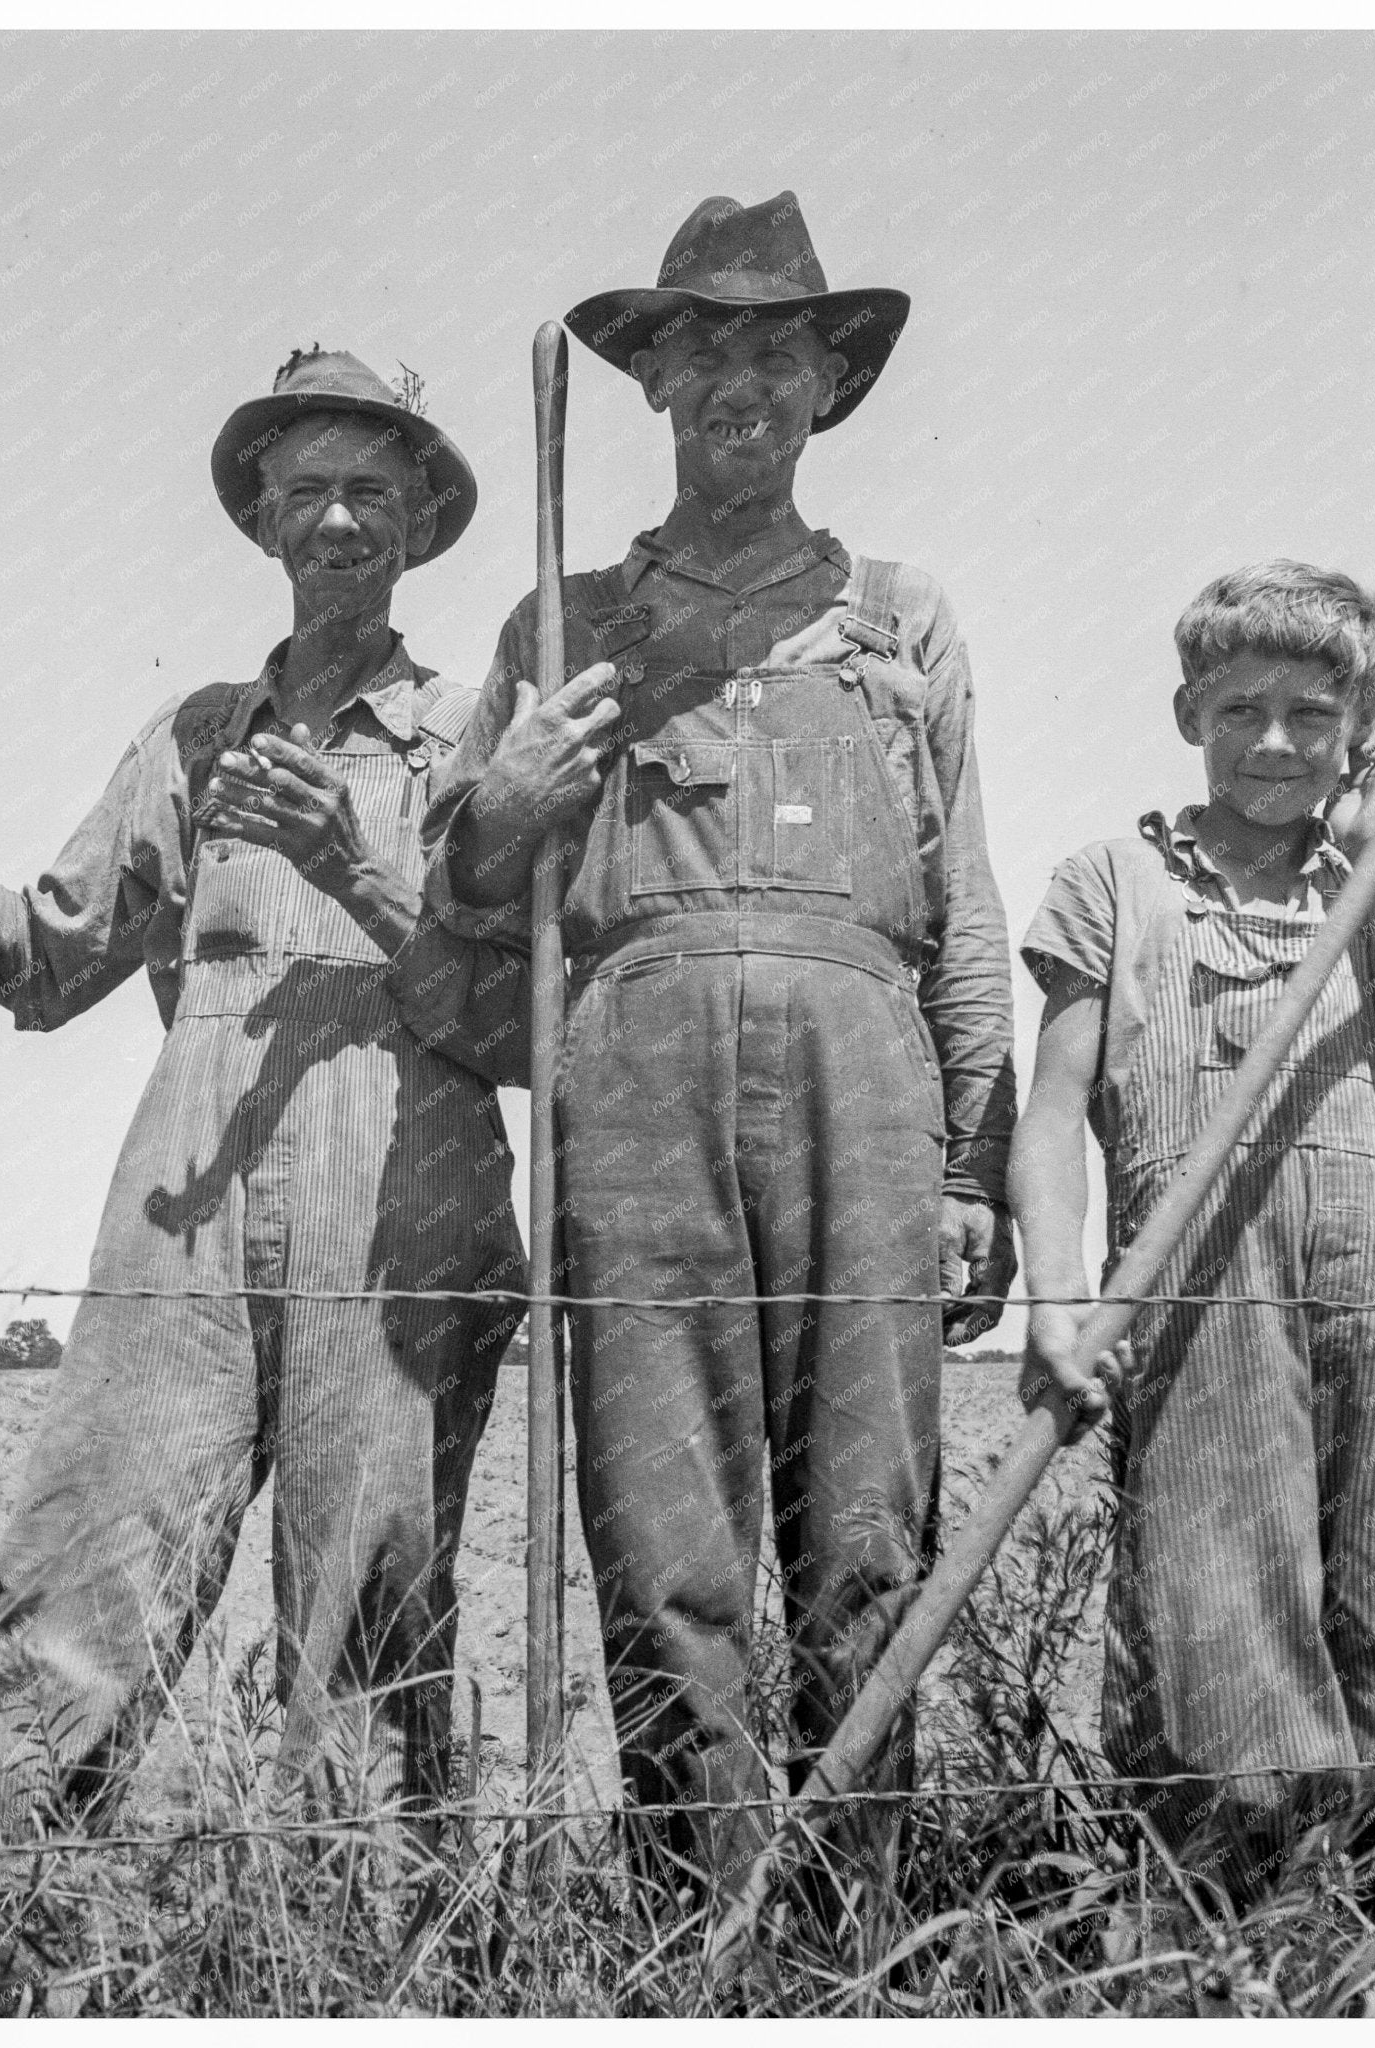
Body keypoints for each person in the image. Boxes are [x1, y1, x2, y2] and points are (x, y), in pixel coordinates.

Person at [0, 348, 528, 1830]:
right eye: (307, 491)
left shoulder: (477, 734)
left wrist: (359, 869)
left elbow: (532, 1024)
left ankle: (355, 1954)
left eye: (373, 493)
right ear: (261, 523)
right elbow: (42, 959)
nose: (338, 523)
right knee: (83, 1564)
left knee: (372, 1609)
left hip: (407, 1199)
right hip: (183, 1199)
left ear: (422, 519)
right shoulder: (195, 737)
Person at [424, 193, 1018, 1908]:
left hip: (866, 1073)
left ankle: (852, 1928)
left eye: (778, 350)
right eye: (705, 353)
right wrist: (506, 805)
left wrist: (975, 1155)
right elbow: (465, 892)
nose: (741, 382)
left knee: (865, 1531)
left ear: (826, 384)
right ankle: (696, 1926)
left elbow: (962, 901)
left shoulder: (902, 617)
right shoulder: (561, 620)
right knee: (663, 1530)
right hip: (634, 1080)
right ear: (653, 384)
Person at [1010, 560, 1375, 1892]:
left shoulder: (1365, 892)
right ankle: (1224, 1943)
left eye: (1312, 717)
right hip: (1202, 1296)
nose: (1274, 743)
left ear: (1360, 729)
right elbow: (1051, 1118)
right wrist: (1055, 1299)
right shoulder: (1111, 879)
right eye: (1240, 710)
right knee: (1225, 1641)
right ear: (1187, 716)